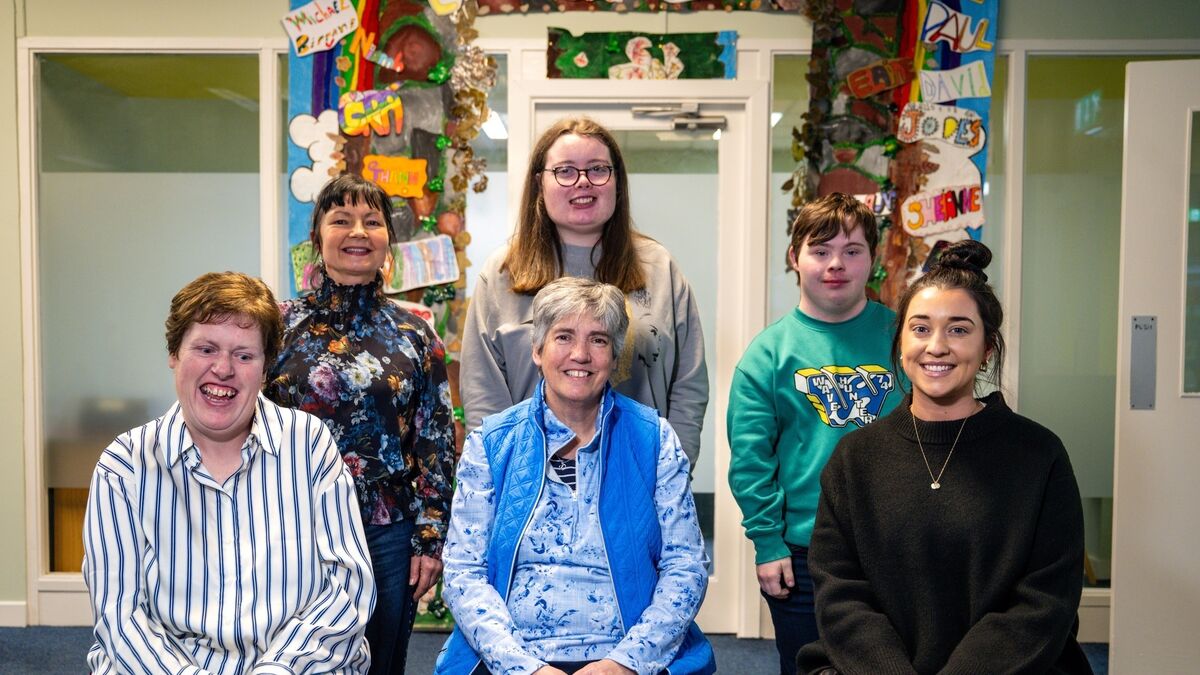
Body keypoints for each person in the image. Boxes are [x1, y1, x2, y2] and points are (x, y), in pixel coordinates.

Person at [797, 240, 1093, 674]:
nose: (936, 346)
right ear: (900, 344)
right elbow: (841, 594)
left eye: (958, 329)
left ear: (987, 348)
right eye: (920, 328)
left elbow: (1044, 601)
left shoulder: (1039, 455)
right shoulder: (854, 458)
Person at [83, 271, 375, 674]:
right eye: (205, 349)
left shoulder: (309, 445)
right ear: (173, 354)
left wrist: (276, 671)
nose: (222, 369)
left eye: (244, 356)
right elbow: (120, 616)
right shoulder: (123, 467)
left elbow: (348, 586)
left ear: (265, 368)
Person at [437, 277, 715, 675]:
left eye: (598, 340)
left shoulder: (655, 439)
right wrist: (524, 668)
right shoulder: (491, 444)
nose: (580, 354)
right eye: (563, 337)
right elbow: (464, 572)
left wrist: (623, 664)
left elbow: (685, 566)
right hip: (514, 655)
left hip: (624, 650)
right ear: (537, 350)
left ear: (614, 355)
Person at [265, 174, 456, 674]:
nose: (357, 232)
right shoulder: (277, 326)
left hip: (387, 530)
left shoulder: (416, 335)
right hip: (293, 521)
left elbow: (435, 442)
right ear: (317, 237)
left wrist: (431, 537)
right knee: (289, 658)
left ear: (388, 240)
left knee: (380, 661)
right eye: (341, 220)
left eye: (372, 221)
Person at [460, 116, 708, 469]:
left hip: (640, 475)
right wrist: (505, 476)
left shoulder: (658, 268)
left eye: (597, 169)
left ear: (617, 182)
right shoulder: (502, 273)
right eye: (564, 171)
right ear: (540, 183)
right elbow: (482, 392)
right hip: (530, 480)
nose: (582, 181)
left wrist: (671, 470)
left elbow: (688, 386)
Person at [727, 193, 902, 674]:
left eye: (852, 250)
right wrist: (768, 543)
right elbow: (750, 462)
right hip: (803, 550)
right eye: (820, 250)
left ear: (873, 258)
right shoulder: (768, 354)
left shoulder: (905, 339)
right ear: (795, 257)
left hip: (896, 542)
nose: (835, 264)